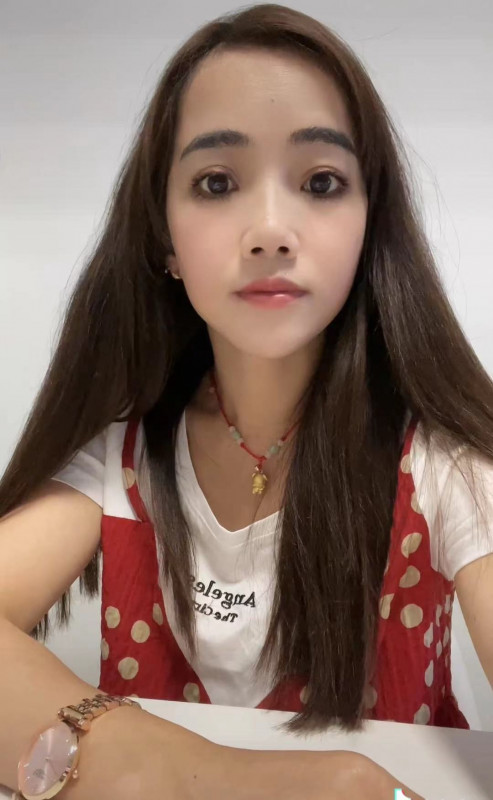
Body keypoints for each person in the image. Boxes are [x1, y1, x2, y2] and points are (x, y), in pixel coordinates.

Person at [1, 3, 492, 799]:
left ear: (369, 225)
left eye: (321, 182)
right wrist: (168, 769)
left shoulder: (442, 464)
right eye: (217, 183)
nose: (269, 230)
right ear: (163, 238)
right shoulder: (122, 458)